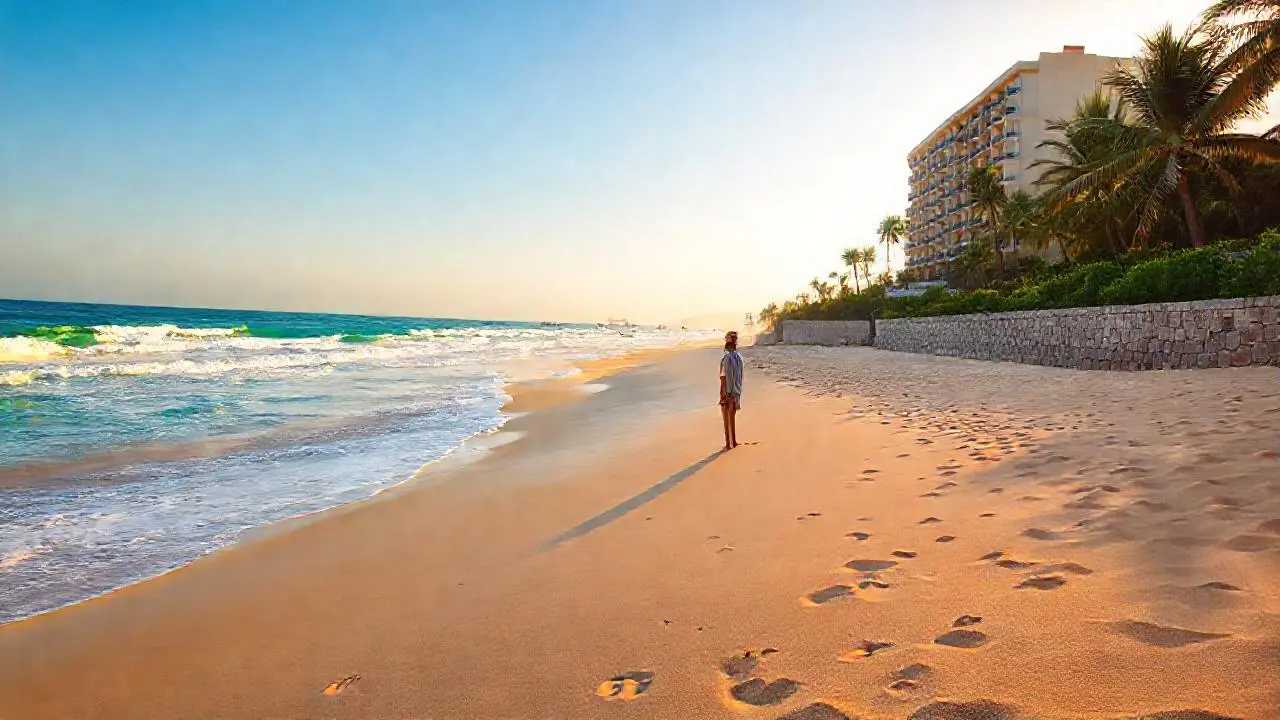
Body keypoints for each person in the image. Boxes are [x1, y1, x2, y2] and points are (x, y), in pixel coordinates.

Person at [719, 333, 744, 451]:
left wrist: (726, 393)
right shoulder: (739, 358)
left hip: (727, 390)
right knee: (732, 416)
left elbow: (724, 376)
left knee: (726, 417)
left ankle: (728, 443)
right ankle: (733, 441)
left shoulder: (726, 358)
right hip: (737, 390)